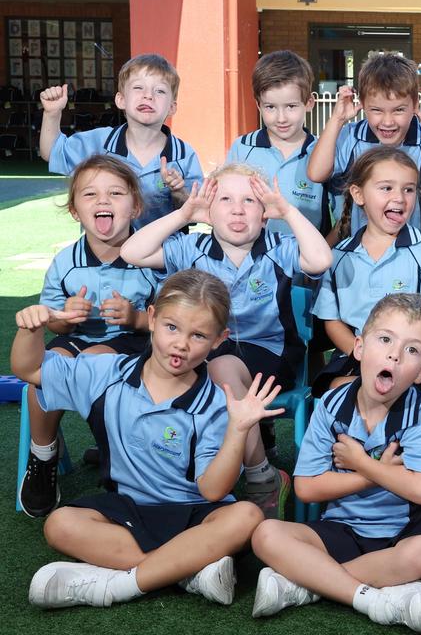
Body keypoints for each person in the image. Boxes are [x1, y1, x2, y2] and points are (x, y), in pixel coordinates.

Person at [12, 270, 275, 609]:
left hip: (196, 514)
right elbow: (29, 370)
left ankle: (121, 585)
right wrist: (30, 330)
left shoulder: (214, 403)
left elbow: (213, 490)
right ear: (151, 318)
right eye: (172, 327)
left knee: (246, 517)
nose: (181, 343)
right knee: (60, 524)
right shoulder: (106, 374)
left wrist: (238, 430)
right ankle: (185, 571)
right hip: (129, 511)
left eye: (198, 335)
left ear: (218, 340)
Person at [121, 162, 333, 516]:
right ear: (208, 211)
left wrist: (289, 211)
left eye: (250, 200)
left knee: (219, 369)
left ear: (264, 214)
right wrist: (184, 213)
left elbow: (320, 259)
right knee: (171, 365)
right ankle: (165, 470)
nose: (238, 209)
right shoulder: (192, 249)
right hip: (203, 352)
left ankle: (262, 476)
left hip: (269, 354)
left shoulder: (278, 248)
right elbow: (132, 252)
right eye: (226, 199)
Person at [250, 294, 421, 633]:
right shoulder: (331, 405)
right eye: (385, 339)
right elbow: (306, 487)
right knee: (266, 533)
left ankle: (309, 583)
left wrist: (362, 463)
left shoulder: (418, 412)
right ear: (359, 348)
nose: (394, 353)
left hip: (402, 531)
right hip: (341, 528)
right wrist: (376, 475)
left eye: (412, 349)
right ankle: (369, 597)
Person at [19, 156, 161, 518]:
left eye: (115, 193)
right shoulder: (66, 262)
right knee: (47, 372)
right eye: (90, 194)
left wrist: (136, 317)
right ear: (74, 210)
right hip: (76, 340)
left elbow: (170, 321)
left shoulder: (152, 257)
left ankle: (116, 451)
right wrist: (66, 317)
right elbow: (52, 322)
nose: (103, 201)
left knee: (95, 358)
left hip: (134, 344)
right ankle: (43, 456)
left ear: (136, 207)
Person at [312, 147, 421, 397]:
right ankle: (355, 436)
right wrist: (366, 354)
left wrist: (398, 352)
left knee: (390, 388)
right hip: (357, 354)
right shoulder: (338, 256)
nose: (399, 198)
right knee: (336, 389)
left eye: (408, 189)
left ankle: (405, 434)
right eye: (386, 188)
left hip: (411, 355)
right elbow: (332, 322)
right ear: (358, 194)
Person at [39, 54, 203, 228]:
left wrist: (178, 191)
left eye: (160, 91)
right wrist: (52, 114)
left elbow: (195, 214)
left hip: (163, 252)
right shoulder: (97, 143)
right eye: (138, 88)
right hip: (105, 251)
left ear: (172, 107)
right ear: (121, 100)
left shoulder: (184, 155)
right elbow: (51, 152)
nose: (148, 96)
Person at [307, 53, 421, 236]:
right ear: (362, 104)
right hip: (357, 254)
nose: (388, 121)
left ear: (415, 105)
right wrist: (337, 119)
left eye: (398, 110)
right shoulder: (351, 136)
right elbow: (316, 173)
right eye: (376, 110)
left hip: (411, 253)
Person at [225, 50, 324, 235]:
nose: (281, 118)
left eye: (291, 106)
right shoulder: (243, 148)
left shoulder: (322, 153)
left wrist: (320, 253)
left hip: (304, 260)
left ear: (309, 103)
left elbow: (341, 218)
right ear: (258, 105)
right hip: (252, 259)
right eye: (270, 107)